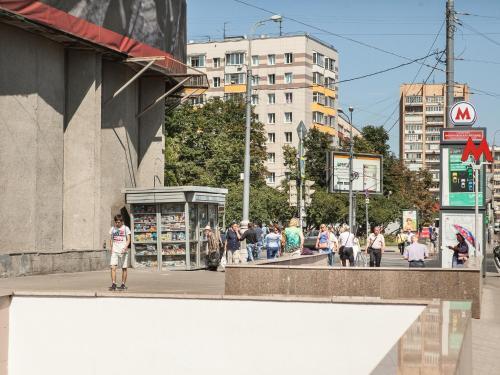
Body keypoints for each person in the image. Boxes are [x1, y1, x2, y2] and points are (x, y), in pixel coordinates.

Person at [109, 214, 131, 291]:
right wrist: (111, 248)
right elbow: (111, 239)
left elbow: (128, 239)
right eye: (116, 222)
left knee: (124, 268)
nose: (117, 224)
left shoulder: (126, 228)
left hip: (123, 251)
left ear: (122, 222)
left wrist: (125, 247)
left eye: (118, 222)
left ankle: (123, 284)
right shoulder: (112, 229)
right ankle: (114, 283)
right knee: (113, 267)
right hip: (115, 250)